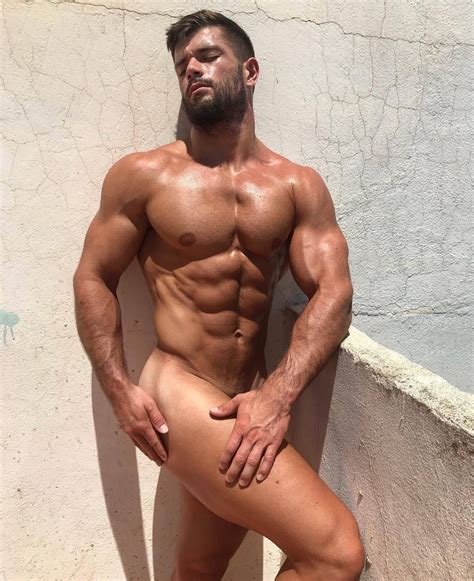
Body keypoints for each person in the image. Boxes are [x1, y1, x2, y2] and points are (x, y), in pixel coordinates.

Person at [73, 9, 365, 581]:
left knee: (200, 568)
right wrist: (119, 389)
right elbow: (92, 277)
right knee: (335, 553)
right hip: (179, 390)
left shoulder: (296, 184)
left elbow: (334, 295)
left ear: (250, 70)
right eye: (183, 65)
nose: (192, 69)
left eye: (208, 56)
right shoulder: (145, 175)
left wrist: (277, 395)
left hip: (247, 395)